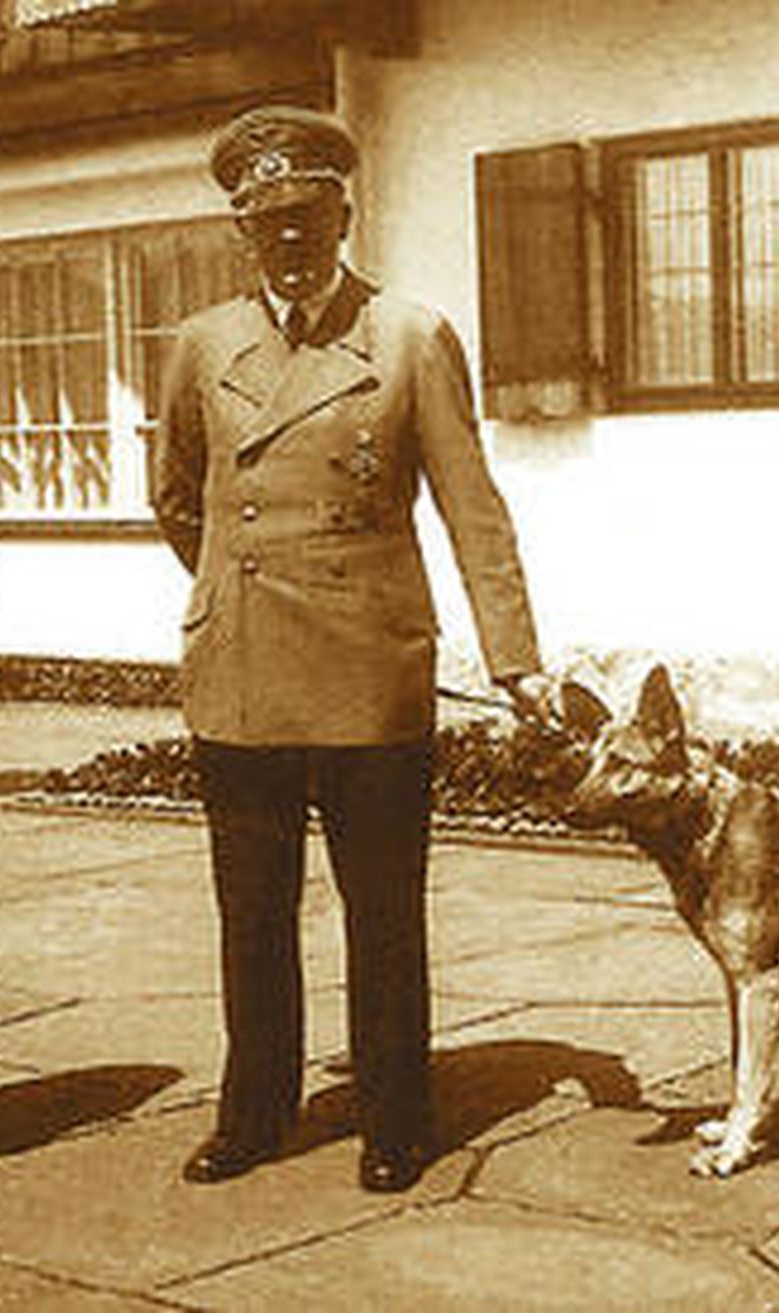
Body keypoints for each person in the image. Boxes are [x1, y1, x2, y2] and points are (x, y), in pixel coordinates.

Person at [152, 105, 558, 1194]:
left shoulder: (408, 336)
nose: (288, 237)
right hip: (242, 664)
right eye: (266, 219)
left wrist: (513, 657)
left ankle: (395, 1113)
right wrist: (233, 585)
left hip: (369, 663)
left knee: (382, 907)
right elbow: (177, 495)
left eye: (306, 213)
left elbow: (473, 507)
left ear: (343, 213)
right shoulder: (202, 344)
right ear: (242, 229)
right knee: (252, 909)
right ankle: (254, 1113)